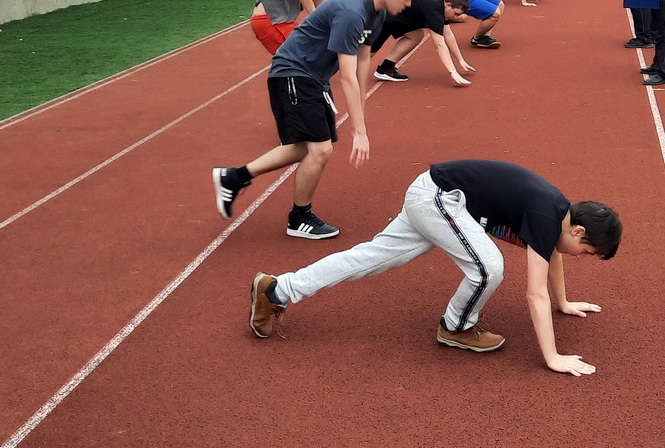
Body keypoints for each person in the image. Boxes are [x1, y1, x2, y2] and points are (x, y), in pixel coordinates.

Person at [247, 159, 622, 376]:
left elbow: (552, 256)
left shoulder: (557, 211)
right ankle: (456, 327)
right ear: (578, 231)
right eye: (586, 251)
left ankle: (278, 290)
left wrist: (563, 303)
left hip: (432, 194)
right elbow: (534, 292)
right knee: (488, 268)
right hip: (439, 198)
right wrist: (553, 358)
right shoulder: (546, 215)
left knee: (369, 257)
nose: (579, 256)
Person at [212, 0, 420, 239]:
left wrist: (361, 112)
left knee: (305, 148)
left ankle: (234, 177)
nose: (408, 4)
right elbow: (346, 76)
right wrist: (359, 130)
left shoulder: (378, 12)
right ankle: (299, 218)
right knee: (320, 150)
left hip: (312, 77)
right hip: (294, 73)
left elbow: (363, 61)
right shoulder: (352, 12)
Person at [371, 0, 476, 87]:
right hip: (381, 14)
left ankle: (386, 67)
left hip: (394, 14)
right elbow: (439, 44)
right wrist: (453, 71)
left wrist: (460, 60)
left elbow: (448, 34)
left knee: (415, 35)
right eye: (456, 13)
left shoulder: (440, 2)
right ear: (448, 5)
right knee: (367, 52)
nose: (456, 17)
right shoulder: (434, 9)